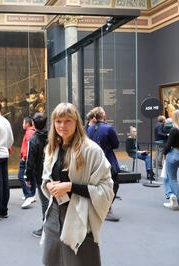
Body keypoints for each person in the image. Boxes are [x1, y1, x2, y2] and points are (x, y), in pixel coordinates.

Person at [41, 103, 114, 266]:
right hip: (54, 217)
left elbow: (106, 189)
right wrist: (48, 186)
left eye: (68, 121)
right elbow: (46, 178)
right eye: (58, 121)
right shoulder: (52, 148)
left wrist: (70, 187)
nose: (62, 125)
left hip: (79, 219)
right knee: (53, 261)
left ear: (77, 123)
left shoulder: (91, 150)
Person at [86, 107, 120, 222]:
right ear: (103, 115)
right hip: (107, 160)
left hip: (92, 162)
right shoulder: (108, 128)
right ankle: (106, 208)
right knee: (113, 184)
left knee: (97, 184)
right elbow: (116, 144)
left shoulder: (89, 129)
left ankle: (98, 207)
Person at [25, 112, 48, 237]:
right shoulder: (52, 135)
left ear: (33, 124)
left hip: (41, 174)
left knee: (45, 201)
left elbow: (30, 160)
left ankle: (46, 228)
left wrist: (28, 177)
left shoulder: (33, 139)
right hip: (53, 172)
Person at [162, 110, 179, 209]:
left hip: (173, 154)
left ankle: (174, 198)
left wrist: (164, 154)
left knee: (172, 178)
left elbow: (168, 145)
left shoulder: (174, 130)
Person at [19, 117, 36, 209]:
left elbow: (30, 147)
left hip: (26, 158)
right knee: (32, 176)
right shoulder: (32, 131)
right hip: (28, 158)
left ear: (27, 124)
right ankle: (32, 194)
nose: (22, 124)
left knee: (20, 176)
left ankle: (29, 195)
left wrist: (24, 157)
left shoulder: (29, 132)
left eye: (23, 123)